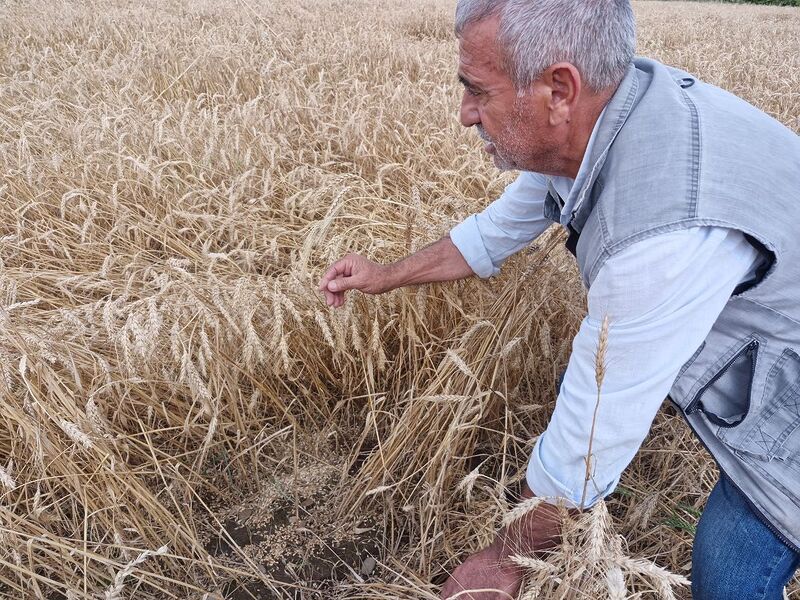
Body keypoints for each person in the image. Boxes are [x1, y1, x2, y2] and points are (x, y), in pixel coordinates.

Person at [317, 0, 800, 598]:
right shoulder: (603, 122)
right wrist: (386, 274)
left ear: (559, 89)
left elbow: (593, 435)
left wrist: (505, 559)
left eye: (478, 90)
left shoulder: (660, 232)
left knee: (733, 569)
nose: (466, 114)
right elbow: (494, 232)